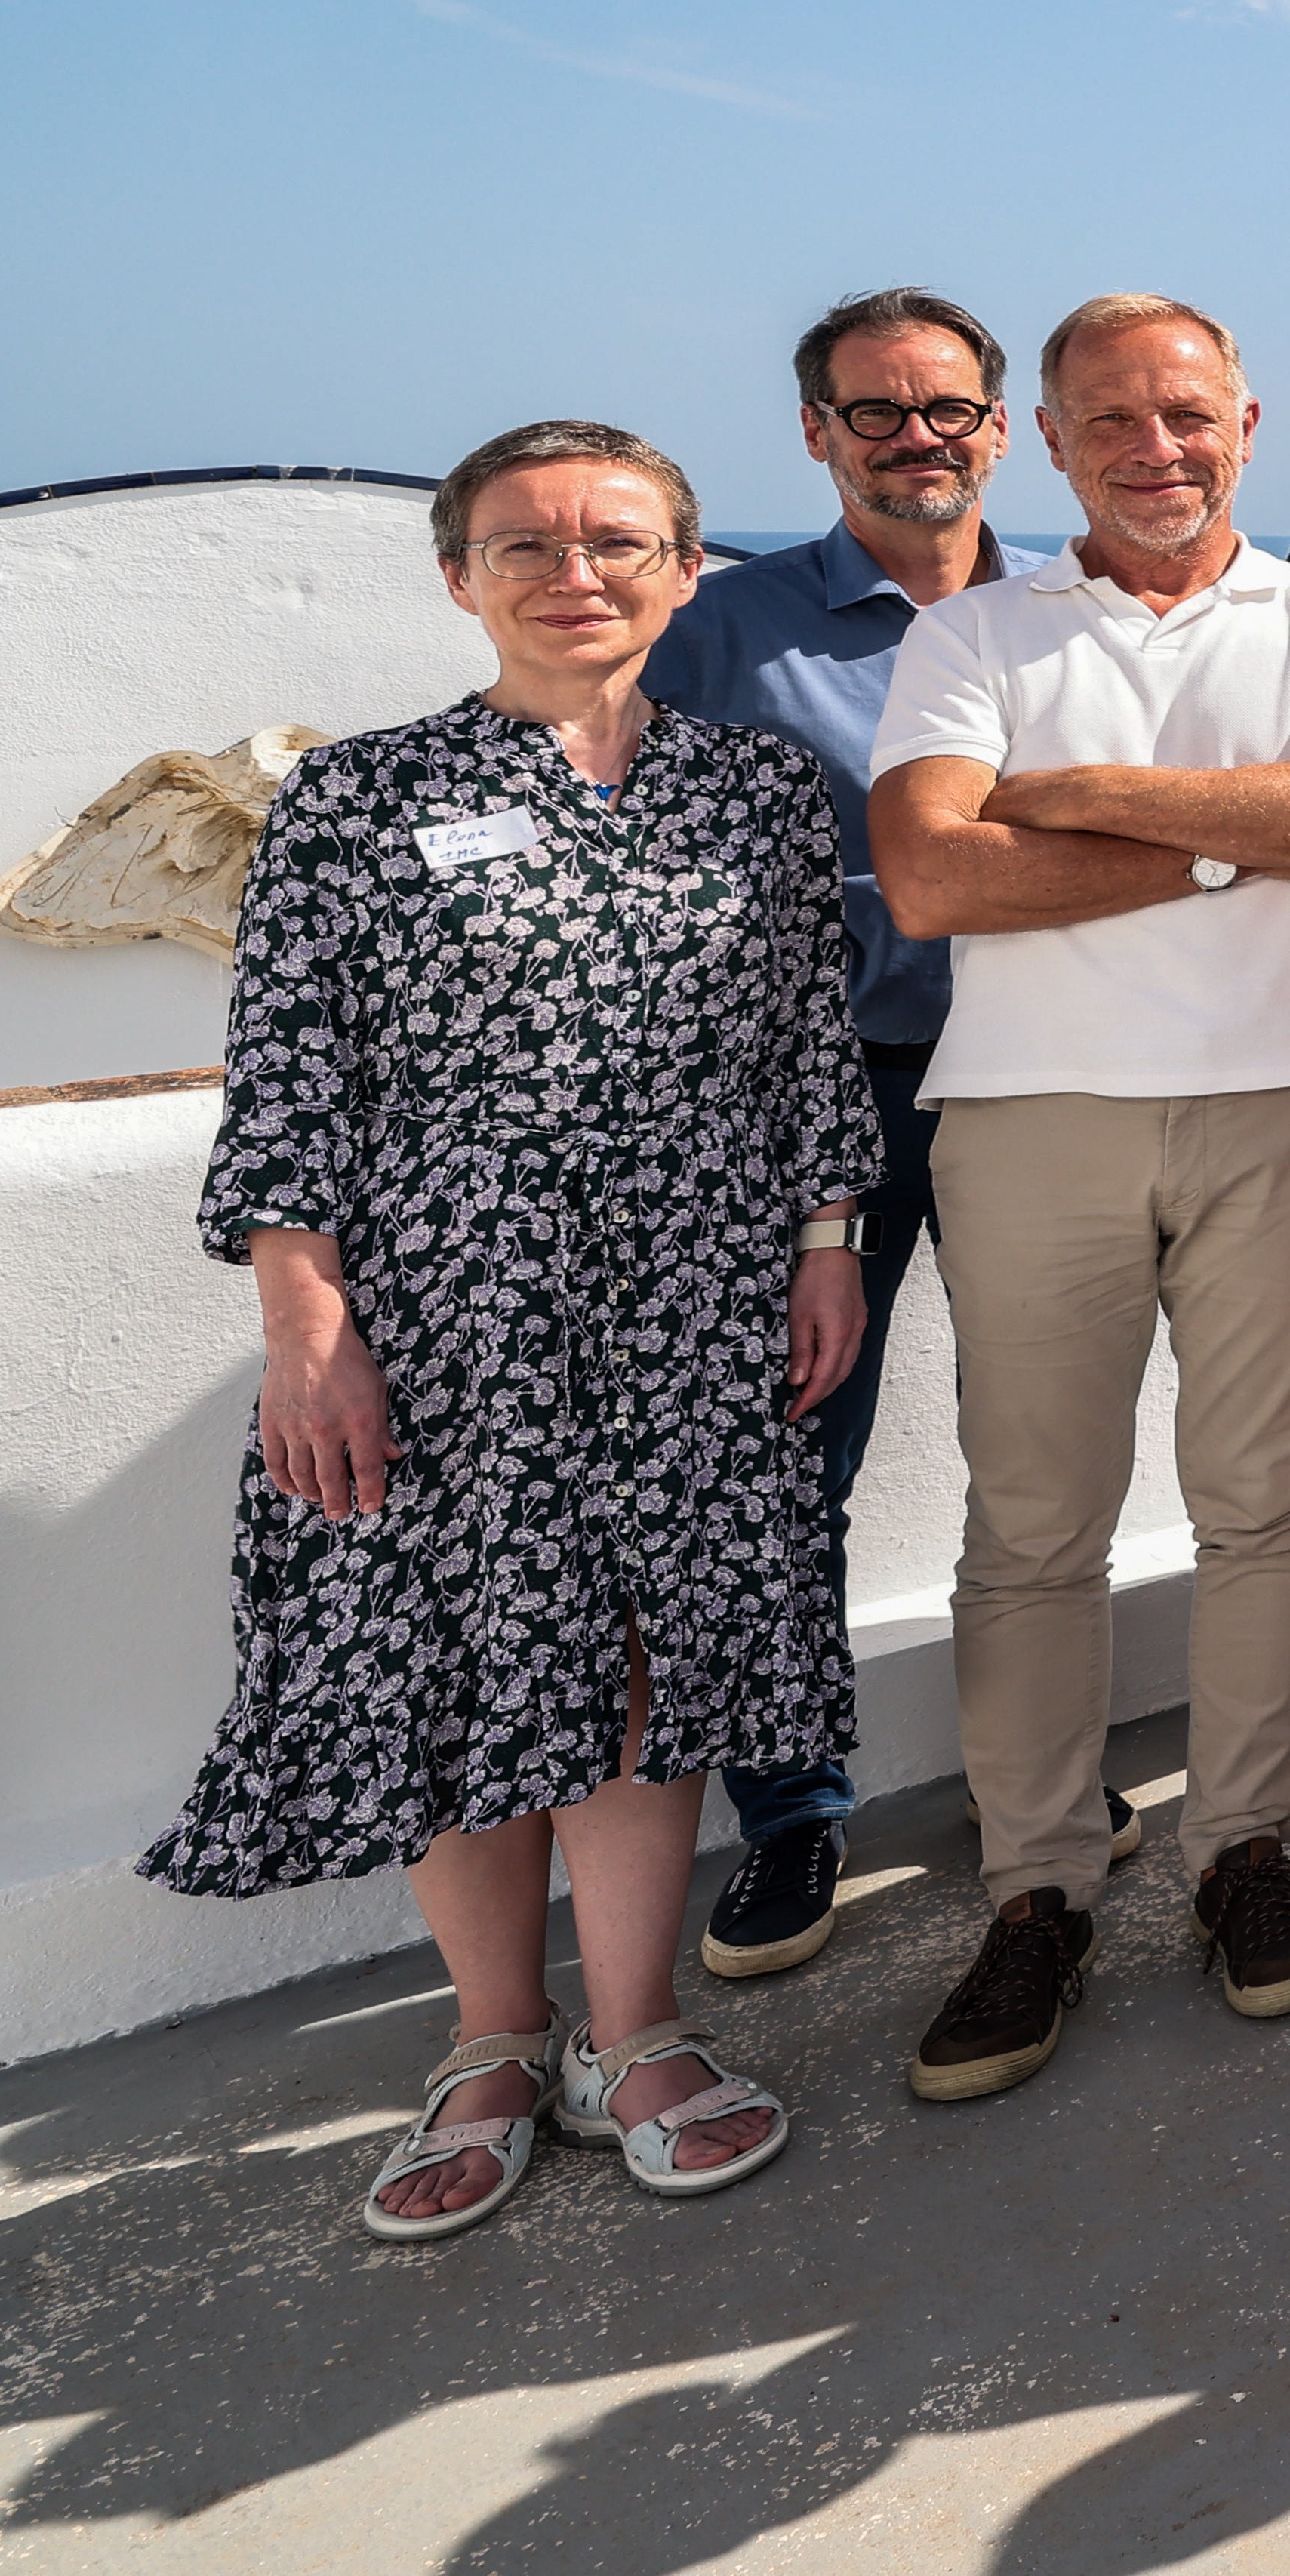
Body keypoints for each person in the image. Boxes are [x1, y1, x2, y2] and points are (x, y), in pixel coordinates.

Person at [159, 422, 872, 2240]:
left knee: (648, 1646)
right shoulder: (357, 799)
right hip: (443, 1303)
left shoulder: (763, 791)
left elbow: (811, 1042)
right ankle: (491, 2041)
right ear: (459, 576)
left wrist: (826, 1244)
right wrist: (306, 1321)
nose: (576, 573)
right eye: (527, 543)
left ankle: (633, 2036)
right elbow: (290, 1075)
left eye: (617, 540)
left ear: (685, 572)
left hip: (699, 1291)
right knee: (451, 1653)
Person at [870, 295, 1290, 2102]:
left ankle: (1243, 1849)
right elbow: (936, 878)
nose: (1155, 447)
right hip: (1033, 1120)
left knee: (1267, 1495)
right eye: (1110, 417)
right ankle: (1036, 1887)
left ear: (1245, 424)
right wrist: (1230, 844)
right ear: (1047, 439)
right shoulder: (971, 628)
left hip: (1289, 1100)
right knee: (1035, 1522)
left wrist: (1097, 801)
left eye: (1186, 412)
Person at [639, 290, 1017, 1981]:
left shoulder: (1070, 610)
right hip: (819, 1097)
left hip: (1045, 1074)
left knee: (1042, 1442)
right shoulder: (720, 631)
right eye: (877, 410)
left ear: (998, 425)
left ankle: (1031, 1772)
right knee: (790, 1454)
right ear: (816, 432)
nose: (916, 436)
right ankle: (793, 1808)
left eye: (947, 406)